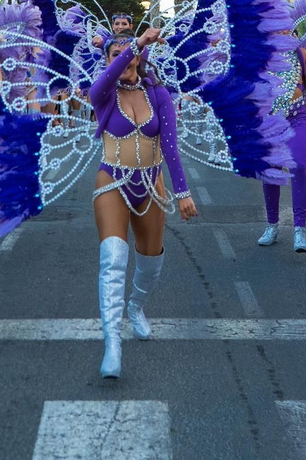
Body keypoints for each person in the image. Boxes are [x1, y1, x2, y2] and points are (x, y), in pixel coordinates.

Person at [90, 29, 197, 378]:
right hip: (112, 182)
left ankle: (136, 307)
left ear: (140, 59)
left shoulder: (159, 95)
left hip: (151, 185)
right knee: (114, 258)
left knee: (151, 260)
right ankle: (112, 346)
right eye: (115, 54)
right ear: (107, 62)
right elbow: (99, 83)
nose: (123, 58)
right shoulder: (103, 94)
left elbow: (170, 147)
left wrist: (183, 194)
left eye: (129, 53)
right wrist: (134, 44)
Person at [258, 36, 306, 255]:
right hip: (270, 122)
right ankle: (272, 225)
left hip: (298, 119)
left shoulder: (300, 55)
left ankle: (299, 229)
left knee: (298, 166)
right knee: (271, 171)